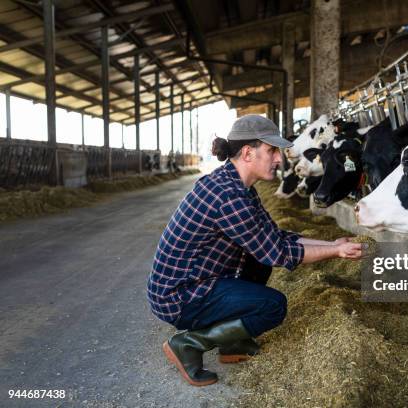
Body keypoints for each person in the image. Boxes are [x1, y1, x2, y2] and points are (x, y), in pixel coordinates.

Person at [147, 115, 363, 386]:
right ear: (248, 153)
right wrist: (337, 253)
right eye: (271, 150)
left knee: (258, 260)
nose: (278, 159)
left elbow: (276, 239)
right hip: (179, 297)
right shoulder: (229, 196)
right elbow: (281, 254)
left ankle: (233, 343)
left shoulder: (238, 186)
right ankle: (189, 343)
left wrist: (332, 245)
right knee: (273, 306)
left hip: (193, 281)